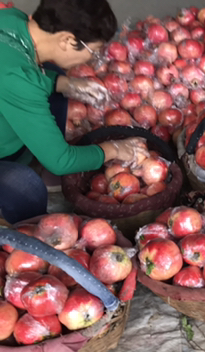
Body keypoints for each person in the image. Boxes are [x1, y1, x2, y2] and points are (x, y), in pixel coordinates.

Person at [0, 0, 147, 224]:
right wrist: (114, 149)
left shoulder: (12, 19)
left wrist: (64, 83)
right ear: (67, 40)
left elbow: (24, 75)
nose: (91, 59)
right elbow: (61, 161)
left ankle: (38, 153)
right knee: (24, 187)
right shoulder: (18, 78)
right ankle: (21, 228)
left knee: (53, 72)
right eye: (93, 51)